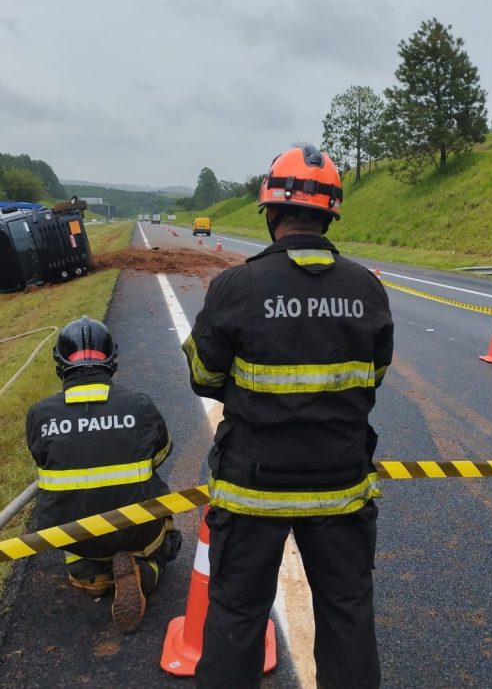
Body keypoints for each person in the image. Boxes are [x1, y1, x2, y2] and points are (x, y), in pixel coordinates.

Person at [182, 145, 394, 689]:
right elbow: (373, 376)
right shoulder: (366, 288)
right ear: (329, 214)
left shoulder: (236, 287)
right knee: (347, 616)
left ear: (271, 211)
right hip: (341, 485)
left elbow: (203, 377)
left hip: (253, 487)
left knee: (236, 616)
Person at [26, 315, 181, 633]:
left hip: (74, 536)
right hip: (134, 529)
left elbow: (42, 459)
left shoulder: (40, 414)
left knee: (73, 529)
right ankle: (146, 571)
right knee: (163, 509)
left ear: (60, 363)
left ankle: (93, 577)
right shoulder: (138, 405)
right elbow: (162, 453)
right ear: (111, 360)